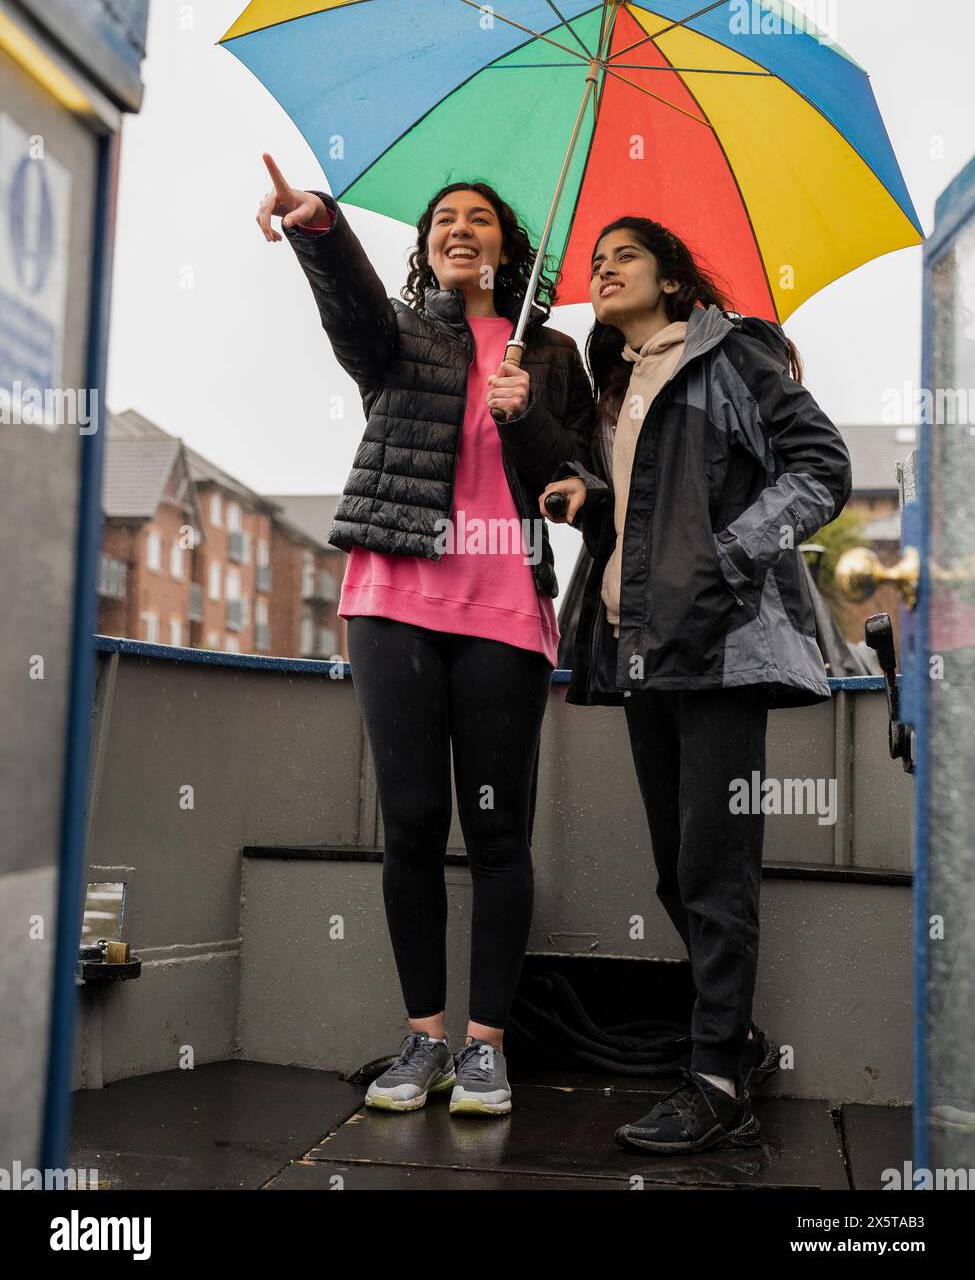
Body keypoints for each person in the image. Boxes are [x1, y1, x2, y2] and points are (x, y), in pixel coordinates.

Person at [257, 155, 595, 1116]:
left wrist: (527, 423)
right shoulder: (401, 337)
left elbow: (578, 486)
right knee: (408, 826)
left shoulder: (553, 355)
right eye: (444, 218)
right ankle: (423, 1040)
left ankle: (484, 1048)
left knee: (497, 835)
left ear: (505, 247)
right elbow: (352, 314)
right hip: (393, 599)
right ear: (426, 245)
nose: (459, 228)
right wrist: (317, 227)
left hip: (503, 611)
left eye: (479, 219)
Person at [540, 216, 852, 1153]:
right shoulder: (619, 386)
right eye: (595, 262)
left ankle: (715, 1079)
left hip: (719, 644)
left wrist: (721, 559)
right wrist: (589, 499)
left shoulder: (733, 355)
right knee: (678, 871)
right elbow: (641, 516)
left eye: (623, 257)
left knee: (714, 871)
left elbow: (821, 469)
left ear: (673, 281)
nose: (603, 270)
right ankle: (735, 1044)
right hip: (643, 647)